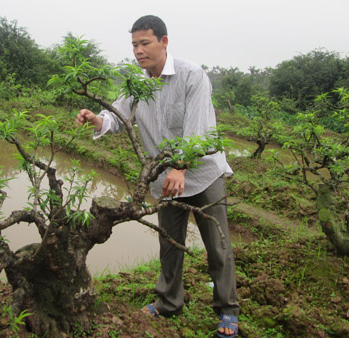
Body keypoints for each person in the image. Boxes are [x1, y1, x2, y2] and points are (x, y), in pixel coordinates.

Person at [76, 15, 239, 338]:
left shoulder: (192, 76)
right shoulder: (138, 83)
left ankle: (228, 310)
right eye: (134, 44)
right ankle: (168, 303)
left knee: (217, 246)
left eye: (145, 43)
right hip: (165, 178)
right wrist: (97, 119)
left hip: (203, 174)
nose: (138, 51)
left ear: (164, 42)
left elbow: (199, 130)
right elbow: (118, 116)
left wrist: (180, 166)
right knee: (169, 243)